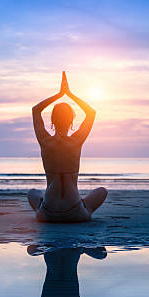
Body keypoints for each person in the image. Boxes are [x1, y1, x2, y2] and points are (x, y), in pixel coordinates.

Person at [27, 71, 107, 222]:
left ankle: (41, 207)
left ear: (51, 121)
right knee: (102, 191)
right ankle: (83, 205)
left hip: (48, 214)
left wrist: (59, 94)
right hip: (74, 212)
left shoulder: (45, 140)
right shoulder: (76, 141)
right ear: (71, 122)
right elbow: (91, 112)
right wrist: (69, 94)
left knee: (32, 193)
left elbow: (36, 110)